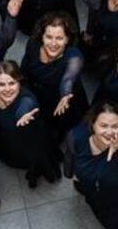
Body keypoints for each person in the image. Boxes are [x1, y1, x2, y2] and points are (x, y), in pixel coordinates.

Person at [65, 102, 118, 229]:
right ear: (92, 124)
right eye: (103, 125)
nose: (109, 132)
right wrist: (74, 176)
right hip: (98, 194)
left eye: (115, 126)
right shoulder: (77, 137)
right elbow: (71, 159)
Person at [0, 61, 60, 188]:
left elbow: (25, 107)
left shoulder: (27, 100)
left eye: (12, 83)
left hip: (29, 139)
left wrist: (22, 115)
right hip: (8, 139)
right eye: (2, 84)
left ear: (19, 82)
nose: (7, 89)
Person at [20, 12, 89, 141]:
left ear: (67, 39)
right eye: (49, 37)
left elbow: (68, 79)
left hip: (62, 101)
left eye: (59, 38)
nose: (53, 43)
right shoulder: (33, 45)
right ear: (42, 37)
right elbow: (25, 68)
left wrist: (65, 93)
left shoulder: (74, 55)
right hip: (39, 95)